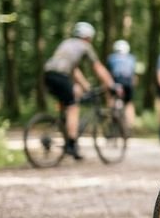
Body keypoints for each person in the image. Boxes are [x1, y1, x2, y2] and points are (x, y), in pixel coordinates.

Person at [43, 22, 121, 159]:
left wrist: (86, 87)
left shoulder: (67, 43)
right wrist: (111, 84)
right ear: (87, 37)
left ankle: (64, 131)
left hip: (48, 74)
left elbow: (74, 71)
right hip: (61, 76)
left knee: (70, 99)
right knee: (73, 106)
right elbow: (98, 68)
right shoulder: (85, 46)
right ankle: (71, 145)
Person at [106, 39, 137, 129]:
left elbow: (108, 74)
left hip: (116, 81)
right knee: (129, 103)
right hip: (128, 83)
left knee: (110, 97)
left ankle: (111, 117)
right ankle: (129, 126)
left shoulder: (111, 57)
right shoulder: (131, 58)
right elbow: (133, 75)